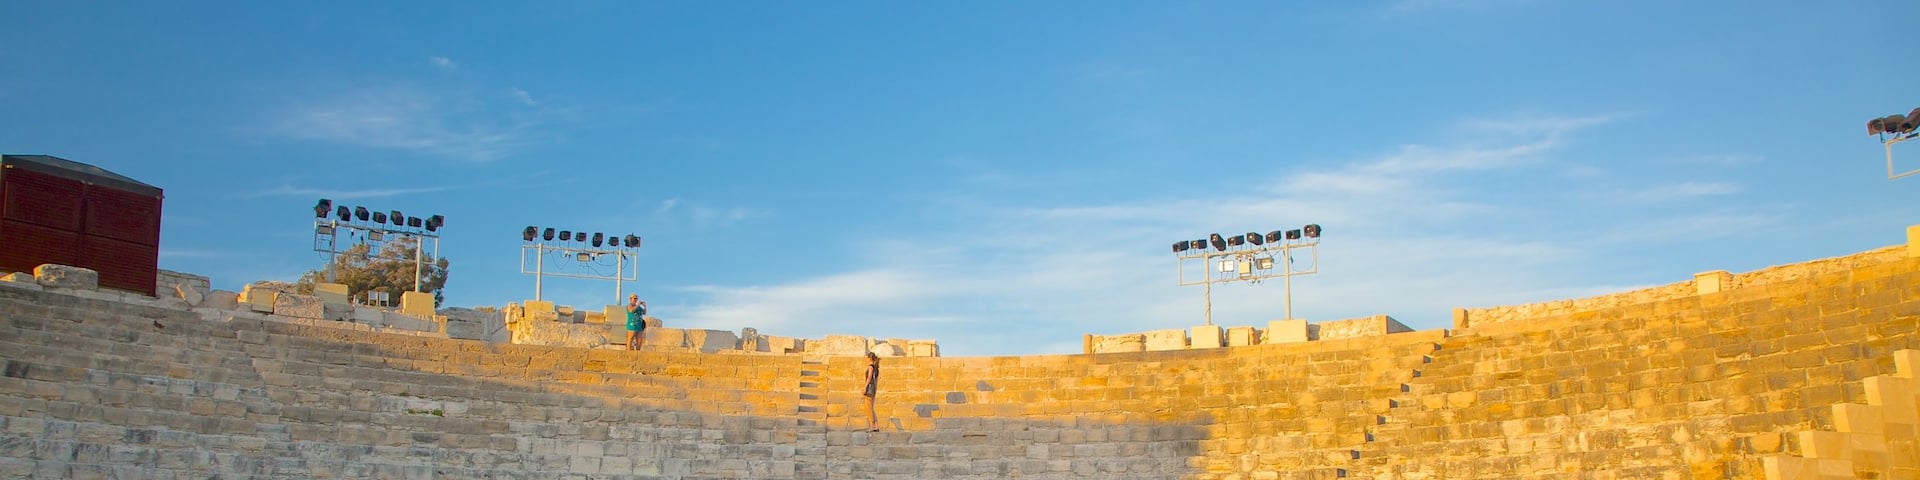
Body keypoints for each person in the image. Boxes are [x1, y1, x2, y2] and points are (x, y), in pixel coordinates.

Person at [862, 351, 880, 432]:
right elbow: (876, 380)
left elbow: (869, 378)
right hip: (873, 389)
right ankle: (876, 426)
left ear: (869, 358)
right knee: (872, 408)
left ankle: (872, 426)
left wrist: (865, 387)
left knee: (868, 408)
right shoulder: (876, 368)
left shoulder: (870, 367)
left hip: (869, 389)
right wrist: (875, 390)